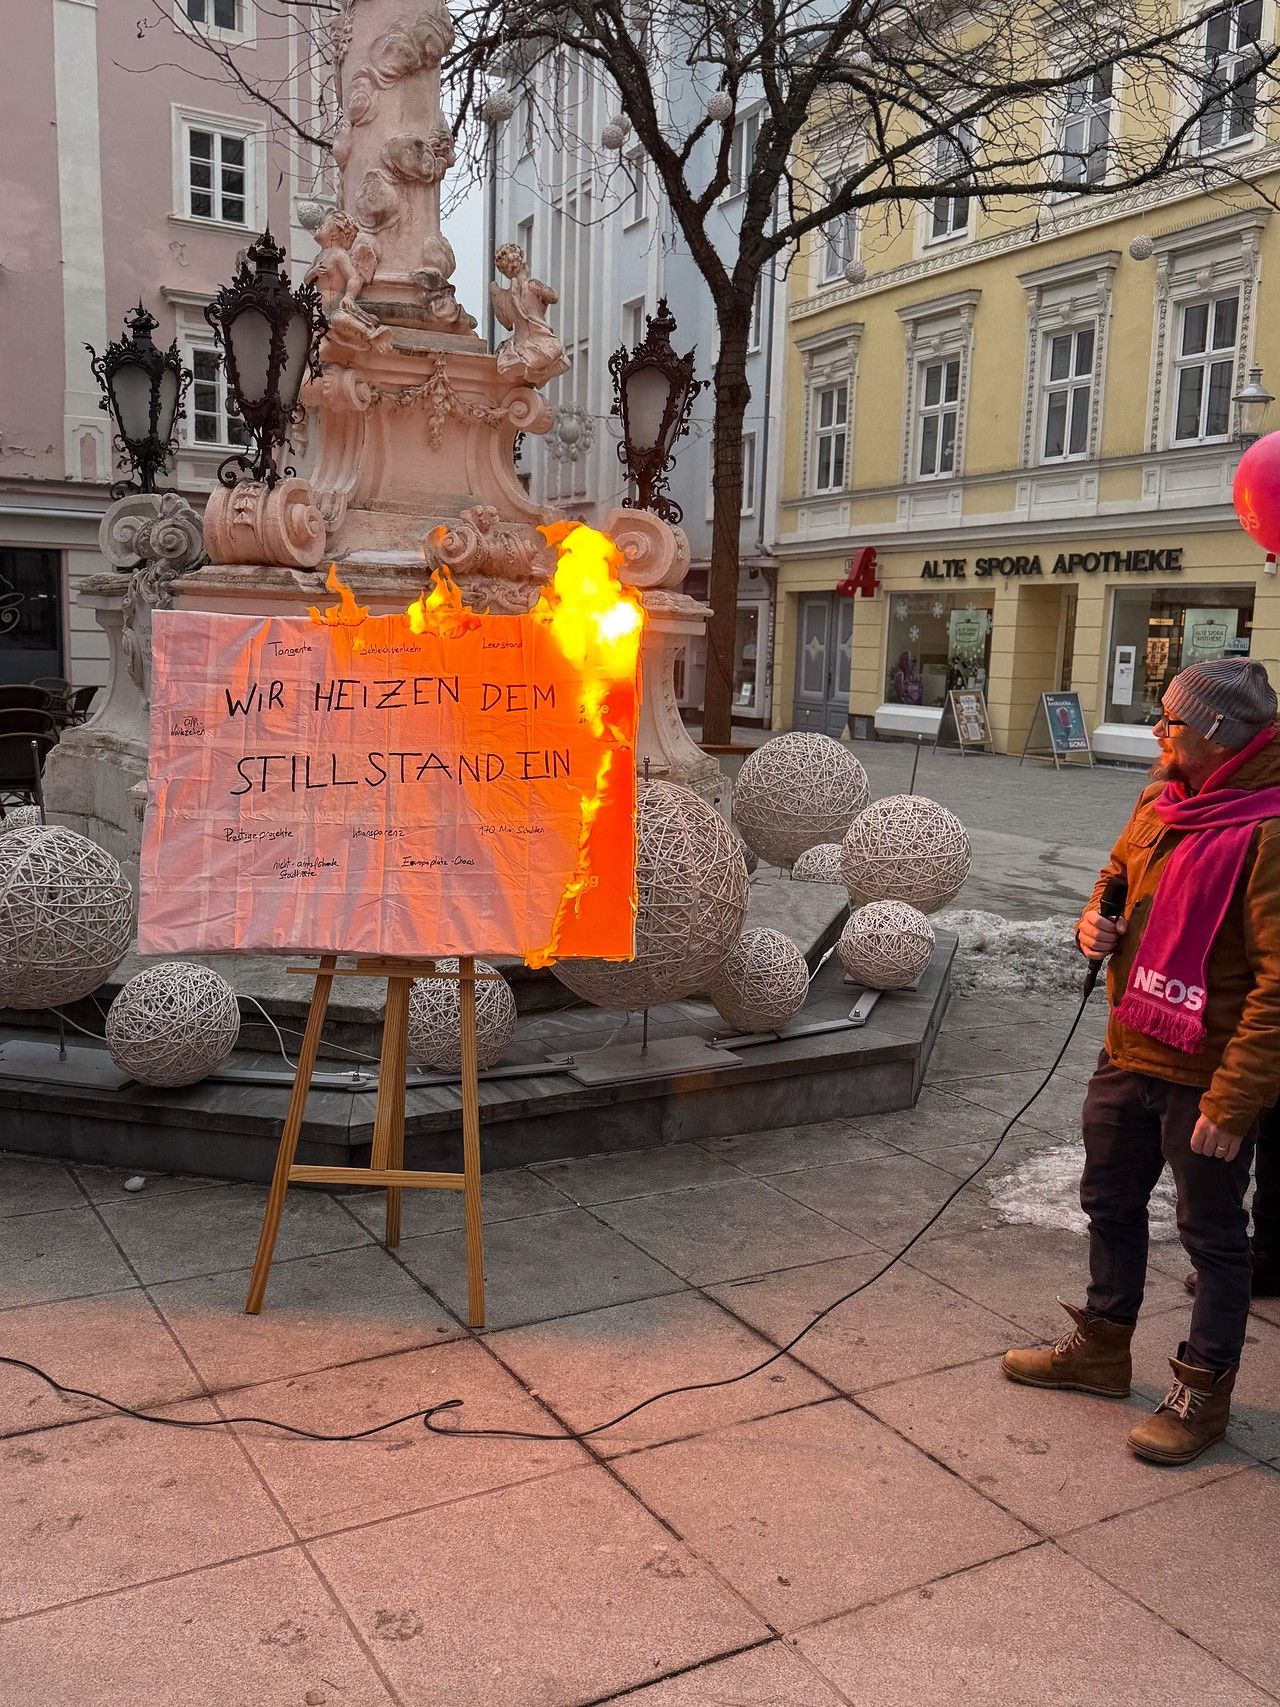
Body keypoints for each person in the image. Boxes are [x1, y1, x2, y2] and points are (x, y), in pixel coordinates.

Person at [1003, 656, 1280, 1464]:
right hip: (1130, 1045)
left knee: (1214, 1237)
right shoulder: (1161, 798)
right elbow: (1117, 875)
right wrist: (1094, 921)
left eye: (1171, 721)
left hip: (1207, 1070)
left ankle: (1203, 1390)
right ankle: (1100, 1346)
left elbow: (1276, 985)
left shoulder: (1266, 829)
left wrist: (1234, 1103)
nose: (1157, 730)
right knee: (1108, 1200)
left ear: (1217, 736)